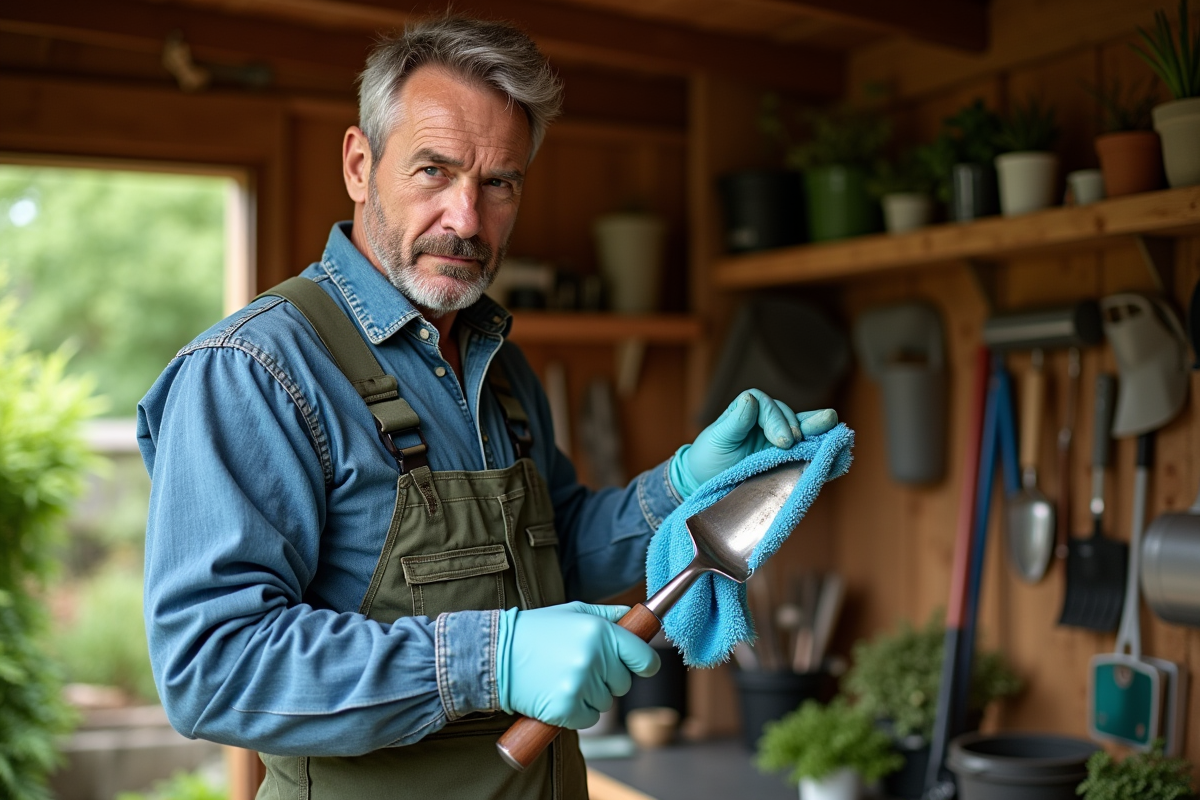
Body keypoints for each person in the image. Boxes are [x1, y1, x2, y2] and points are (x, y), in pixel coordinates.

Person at [137, 15, 837, 799]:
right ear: (360, 165)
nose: (467, 220)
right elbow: (212, 669)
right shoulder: (253, 371)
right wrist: (493, 658)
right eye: (433, 171)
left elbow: (554, 553)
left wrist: (680, 485)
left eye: (499, 182)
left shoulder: (498, 363)